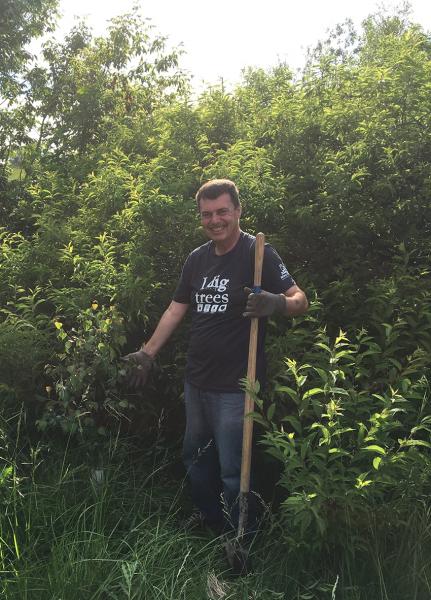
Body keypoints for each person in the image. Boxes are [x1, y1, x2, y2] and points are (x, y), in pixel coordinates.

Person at [126, 179, 308, 535]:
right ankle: (208, 518)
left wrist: (276, 303)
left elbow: (300, 300)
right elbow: (176, 309)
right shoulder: (197, 259)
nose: (214, 220)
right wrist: (147, 353)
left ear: (237, 210)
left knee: (234, 468)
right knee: (195, 457)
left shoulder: (257, 253)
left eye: (222, 211)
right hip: (197, 381)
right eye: (207, 214)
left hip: (237, 385)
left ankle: (239, 534)